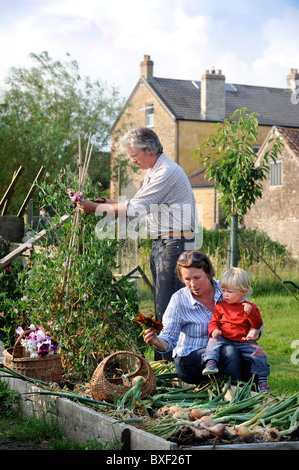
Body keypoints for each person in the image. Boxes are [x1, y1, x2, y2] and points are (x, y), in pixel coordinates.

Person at [78, 127, 197, 361]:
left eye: (134, 155)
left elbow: (135, 209)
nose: (133, 161)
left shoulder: (166, 172)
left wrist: (97, 208)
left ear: (149, 149)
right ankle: (170, 361)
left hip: (175, 243)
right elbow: (135, 205)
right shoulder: (154, 172)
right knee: (162, 304)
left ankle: (168, 365)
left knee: (167, 307)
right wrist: (105, 203)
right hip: (163, 242)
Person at [143, 251, 261, 384]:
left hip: (228, 348)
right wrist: (156, 341)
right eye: (187, 279)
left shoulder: (226, 289)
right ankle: (237, 393)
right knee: (229, 352)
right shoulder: (179, 300)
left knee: (252, 354)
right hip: (190, 360)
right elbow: (168, 339)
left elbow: (250, 315)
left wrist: (255, 331)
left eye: (197, 277)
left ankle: (253, 390)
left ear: (209, 274)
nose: (192, 284)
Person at [201, 267, 270, 392]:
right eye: (223, 290)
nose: (225, 294)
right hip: (225, 338)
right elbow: (214, 321)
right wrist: (214, 330)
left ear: (243, 291)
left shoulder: (250, 307)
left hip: (243, 341)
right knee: (213, 341)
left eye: (230, 292)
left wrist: (250, 314)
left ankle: (262, 380)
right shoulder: (221, 306)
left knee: (259, 354)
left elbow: (257, 324)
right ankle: (210, 362)